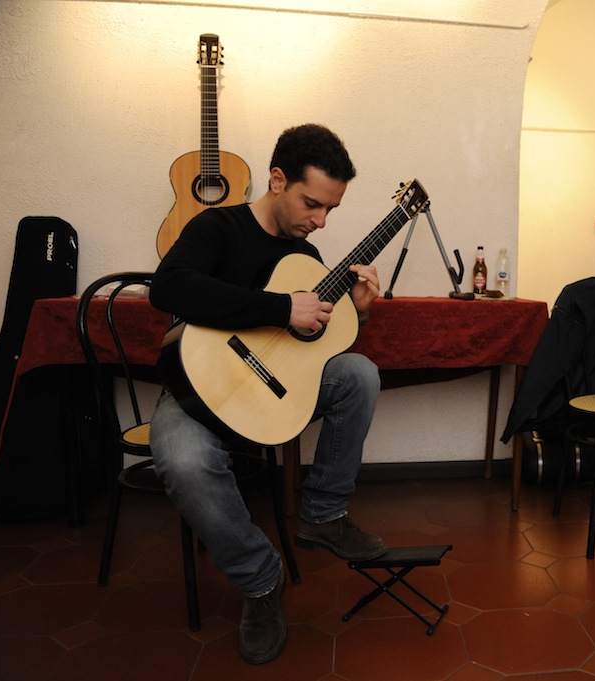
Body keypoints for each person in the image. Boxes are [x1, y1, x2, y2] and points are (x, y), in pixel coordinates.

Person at [149, 123, 387, 664]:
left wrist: (357, 314)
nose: (320, 221)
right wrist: (280, 308)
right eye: (311, 203)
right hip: (197, 391)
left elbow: (308, 343)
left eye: (330, 209)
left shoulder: (307, 254)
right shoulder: (217, 225)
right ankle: (260, 579)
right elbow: (168, 286)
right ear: (278, 180)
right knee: (183, 460)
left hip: (269, 390)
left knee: (360, 373)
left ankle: (324, 514)